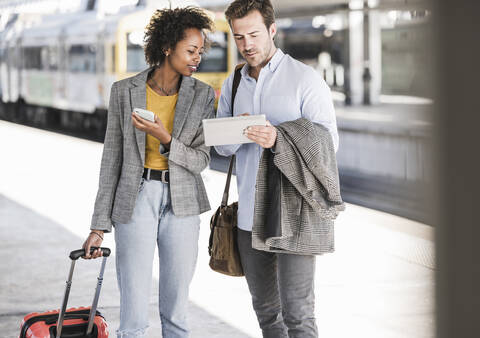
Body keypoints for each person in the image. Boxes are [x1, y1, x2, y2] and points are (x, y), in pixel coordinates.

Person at [82, 7, 215, 338]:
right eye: (191, 50)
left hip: (183, 203)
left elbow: (200, 160)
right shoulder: (124, 91)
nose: (197, 57)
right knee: (133, 315)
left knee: (177, 313)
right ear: (168, 46)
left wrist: (164, 138)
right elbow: (111, 160)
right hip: (136, 197)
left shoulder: (201, 95)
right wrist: (99, 226)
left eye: (200, 51)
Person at [215, 1, 340, 337]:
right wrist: (234, 130)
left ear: (272, 30)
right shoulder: (235, 83)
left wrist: (278, 138)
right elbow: (222, 148)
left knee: (298, 314)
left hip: (294, 215)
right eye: (239, 37)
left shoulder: (304, 79)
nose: (247, 45)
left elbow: (329, 144)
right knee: (267, 314)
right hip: (248, 216)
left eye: (254, 34)